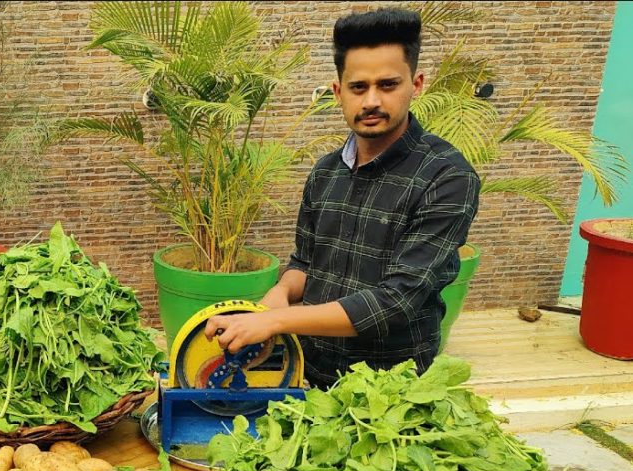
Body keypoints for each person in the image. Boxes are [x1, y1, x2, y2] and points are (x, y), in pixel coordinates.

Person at [205, 7, 479, 389]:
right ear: (338, 92)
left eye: (388, 85)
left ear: (416, 85)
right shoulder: (326, 172)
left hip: (389, 392)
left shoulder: (446, 177)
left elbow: (396, 301)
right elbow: (305, 264)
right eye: (358, 87)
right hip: (311, 373)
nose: (371, 101)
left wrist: (275, 321)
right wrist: (279, 293)